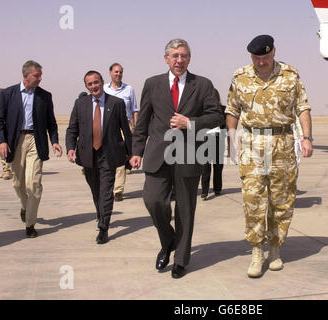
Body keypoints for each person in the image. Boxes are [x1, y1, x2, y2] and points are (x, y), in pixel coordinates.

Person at [129, 39, 223, 279]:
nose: (179, 60)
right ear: (166, 59)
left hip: (189, 154)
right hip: (158, 154)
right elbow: (143, 122)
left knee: (185, 210)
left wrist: (189, 123)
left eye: (183, 56)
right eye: (174, 56)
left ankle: (181, 259)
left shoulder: (202, 85)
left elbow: (216, 116)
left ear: (189, 58)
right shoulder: (152, 84)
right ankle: (168, 240)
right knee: (153, 201)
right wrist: (136, 150)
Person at [226, 35, 314, 278]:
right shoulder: (240, 76)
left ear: (274, 52)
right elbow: (232, 109)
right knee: (253, 199)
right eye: (256, 58)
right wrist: (231, 138)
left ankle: (275, 248)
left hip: (283, 144)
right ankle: (256, 250)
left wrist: (307, 137)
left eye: (265, 57)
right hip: (252, 144)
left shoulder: (290, 75)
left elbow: (302, 107)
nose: (261, 62)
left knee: (281, 200)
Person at [0, 60, 62, 238]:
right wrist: (1, 141)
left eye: (40, 75)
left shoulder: (44, 96)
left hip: (36, 140)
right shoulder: (9, 94)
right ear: (26, 76)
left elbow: (51, 122)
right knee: (18, 183)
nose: (40, 79)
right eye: (36, 75)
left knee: (34, 185)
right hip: (14, 141)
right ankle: (25, 207)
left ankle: (30, 224)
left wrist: (54, 140)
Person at [66, 70, 132, 244]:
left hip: (109, 154)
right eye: (90, 84)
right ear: (86, 86)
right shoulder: (80, 104)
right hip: (87, 154)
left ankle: (104, 227)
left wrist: (130, 153)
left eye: (96, 82)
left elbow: (125, 129)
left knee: (106, 191)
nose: (94, 86)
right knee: (95, 189)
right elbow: (72, 128)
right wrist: (70, 148)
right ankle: (100, 212)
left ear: (102, 82)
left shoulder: (116, 103)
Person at [104, 63, 139, 201]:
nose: (118, 74)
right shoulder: (104, 89)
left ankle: (118, 190)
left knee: (121, 157)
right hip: (108, 128)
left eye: (121, 72)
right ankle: (107, 187)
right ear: (110, 73)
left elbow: (134, 109)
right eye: (116, 72)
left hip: (124, 127)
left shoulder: (129, 89)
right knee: (107, 157)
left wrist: (134, 126)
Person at [200, 88, 227, 200]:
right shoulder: (202, 109)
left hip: (215, 138)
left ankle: (213, 189)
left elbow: (225, 126)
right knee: (209, 167)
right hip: (208, 139)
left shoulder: (223, 109)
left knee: (214, 166)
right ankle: (208, 191)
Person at [0, 88, 13, 180]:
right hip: (0, 132)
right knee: (2, 151)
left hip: (9, 132)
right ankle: (6, 170)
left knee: (8, 151)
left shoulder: (11, 105)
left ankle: (8, 170)